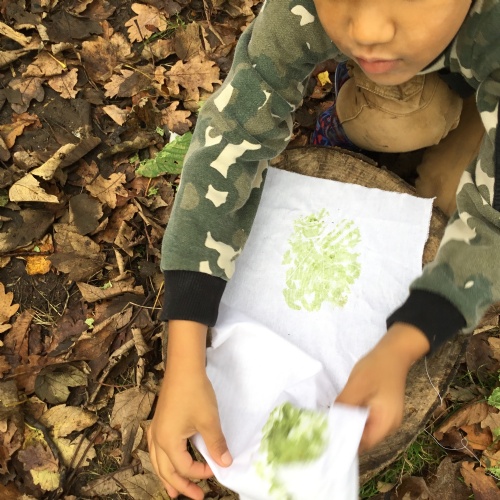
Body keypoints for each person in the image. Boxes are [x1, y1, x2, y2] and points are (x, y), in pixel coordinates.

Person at [147, 0, 500, 498]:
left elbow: (492, 224)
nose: (369, 27)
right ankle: (368, 111)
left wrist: (405, 343)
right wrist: (184, 357)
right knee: (402, 123)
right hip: (430, 73)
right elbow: (231, 131)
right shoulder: (307, 10)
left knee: (445, 195)